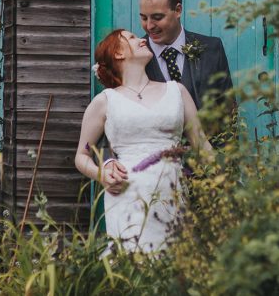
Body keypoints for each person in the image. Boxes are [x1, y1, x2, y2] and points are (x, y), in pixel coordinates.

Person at [74, 29, 210, 253]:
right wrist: (102, 174)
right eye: (132, 38)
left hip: (172, 193)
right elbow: (82, 155)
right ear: (118, 53)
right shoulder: (105, 101)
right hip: (126, 195)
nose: (142, 39)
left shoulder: (177, 91)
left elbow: (202, 145)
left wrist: (225, 184)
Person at [139, 0, 233, 111]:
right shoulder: (133, 56)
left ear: (178, 10)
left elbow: (228, 110)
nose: (149, 26)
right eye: (144, 18)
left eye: (157, 17)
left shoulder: (212, 49)